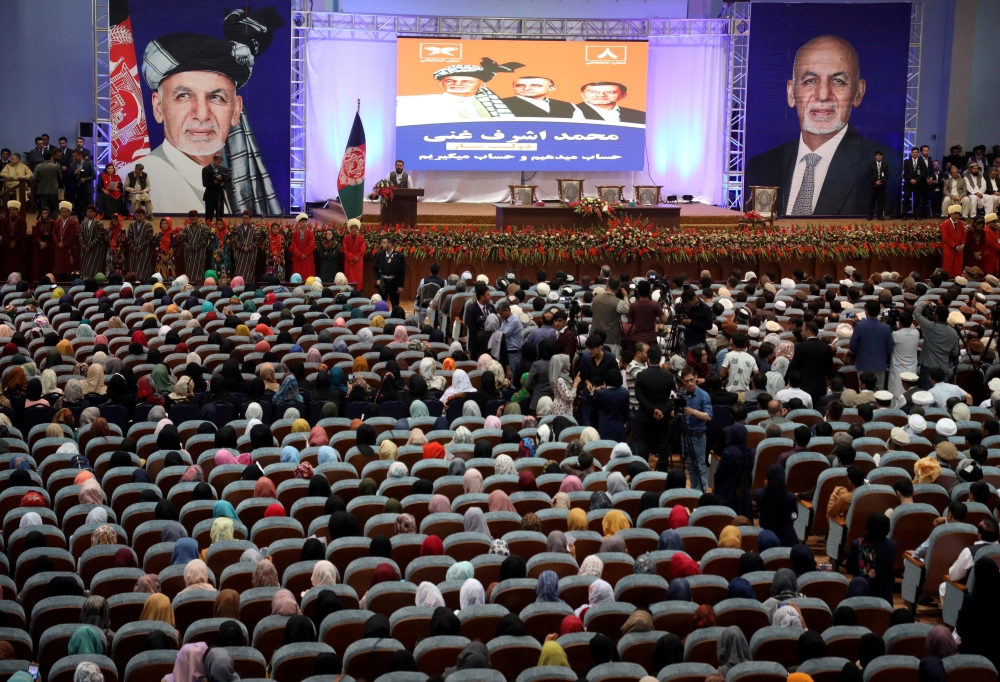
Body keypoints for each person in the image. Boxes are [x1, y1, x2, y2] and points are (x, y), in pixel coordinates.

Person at [123, 10, 284, 215]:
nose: (202, 114)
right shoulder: (140, 176)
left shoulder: (237, 178)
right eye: (184, 96)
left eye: (216, 97)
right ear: (158, 107)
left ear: (236, 110)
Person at [745, 35, 881, 216]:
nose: (823, 95)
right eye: (810, 80)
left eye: (838, 81)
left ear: (858, 92)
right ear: (791, 93)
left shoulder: (879, 166)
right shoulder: (761, 166)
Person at [396, 57, 524, 126]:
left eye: (466, 81)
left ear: (483, 84)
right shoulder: (416, 104)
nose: (457, 84)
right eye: (450, 81)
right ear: (441, 84)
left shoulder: (495, 105)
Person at [939, 517, 1000, 598]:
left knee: (943, 587)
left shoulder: (969, 552)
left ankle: (949, 611)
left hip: (974, 596)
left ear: (979, 535)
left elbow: (954, 576)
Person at [634, 347, 676, 461]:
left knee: (643, 444)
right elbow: (673, 397)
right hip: (663, 416)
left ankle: (642, 472)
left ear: (649, 359)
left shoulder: (641, 375)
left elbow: (639, 397)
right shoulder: (669, 376)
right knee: (663, 444)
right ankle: (662, 471)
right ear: (660, 359)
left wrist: (652, 410)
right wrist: (662, 410)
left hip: (645, 415)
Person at [678, 365, 713, 491]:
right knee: (690, 466)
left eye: (692, 380)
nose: (689, 383)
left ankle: (702, 493)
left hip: (698, 436)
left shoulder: (704, 395)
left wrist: (693, 411)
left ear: (697, 378)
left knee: (700, 467)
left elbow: (709, 416)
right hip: (685, 434)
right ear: (682, 381)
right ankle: (694, 491)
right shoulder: (682, 395)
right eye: (686, 381)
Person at [848, 301, 894, 390]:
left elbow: (852, 345)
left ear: (866, 311)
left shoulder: (860, 326)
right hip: (879, 365)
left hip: (863, 364)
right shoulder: (886, 328)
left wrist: (860, 353)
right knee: (879, 392)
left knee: (864, 392)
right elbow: (889, 348)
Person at [787, 321, 834, 406]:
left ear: (807, 332)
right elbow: (829, 370)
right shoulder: (826, 347)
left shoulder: (801, 347)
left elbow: (794, 366)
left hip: (804, 387)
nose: (801, 333)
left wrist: (786, 380)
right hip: (821, 388)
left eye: (802, 330)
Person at [916, 305, 959, 389]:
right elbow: (955, 352)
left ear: (936, 316)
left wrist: (924, 304)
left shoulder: (929, 326)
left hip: (928, 367)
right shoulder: (954, 332)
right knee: (941, 394)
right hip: (943, 368)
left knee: (926, 396)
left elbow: (916, 313)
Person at [501, 76, 577, 118]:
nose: (526, 88)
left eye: (536, 85)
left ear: (551, 88)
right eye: (520, 85)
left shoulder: (568, 106)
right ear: (513, 88)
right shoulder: (500, 104)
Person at [590, 276, 629, 355]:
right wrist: (625, 296)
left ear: (607, 285)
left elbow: (592, 309)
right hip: (611, 338)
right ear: (619, 288)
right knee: (612, 362)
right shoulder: (618, 302)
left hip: (595, 337)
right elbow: (626, 310)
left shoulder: (595, 299)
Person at [573, 81, 645, 123]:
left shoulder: (639, 115)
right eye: (593, 92)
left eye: (610, 92)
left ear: (623, 95)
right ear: (582, 94)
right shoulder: (571, 112)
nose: (601, 95)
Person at [887, 311, 919, 400]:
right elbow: (911, 326)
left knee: (896, 396)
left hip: (898, 369)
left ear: (899, 322)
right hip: (911, 369)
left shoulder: (895, 335)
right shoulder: (916, 333)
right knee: (909, 396)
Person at [627, 279, 667, 346]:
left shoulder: (633, 306)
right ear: (650, 292)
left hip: (637, 340)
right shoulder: (655, 305)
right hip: (651, 339)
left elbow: (630, 322)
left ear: (638, 292)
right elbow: (664, 319)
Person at [463, 283, 495, 359]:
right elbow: (473, 330)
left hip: (491, 346)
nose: (490, 296)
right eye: (488, 295)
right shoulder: (471, 310)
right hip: (477, 347)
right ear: (482, 297)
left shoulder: (491, 307)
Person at [373, 235, 406, 308]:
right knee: (381, 303)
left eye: (384, 243)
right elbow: (375, 268)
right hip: (383, 283)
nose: (382, 244)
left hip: (394, 283)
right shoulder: (380, 255)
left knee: (395, 304)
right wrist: (378, 279)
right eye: (382, 242)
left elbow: (402, 272)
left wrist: (401, 285)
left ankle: (395, 318)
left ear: (390, 244)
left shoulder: (399, 256)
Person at [180, 212, 212, 281]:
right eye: (192, 219)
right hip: (189, 253)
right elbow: (183, 241)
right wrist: (190, 247)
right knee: (189, 269)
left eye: (195, 219)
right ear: (189, 219)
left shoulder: (204, 228)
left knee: (199, 269)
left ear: (198, 218)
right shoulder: (186, 228)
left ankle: (199, 283)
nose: (193, 221)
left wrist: (197, 246)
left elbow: (205, 240)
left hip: (200, 253)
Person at [126, 207, 156, 281]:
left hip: (144, 252)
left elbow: (149, 239)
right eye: (137, 216)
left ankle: (143, 282)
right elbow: (129, 237)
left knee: (143, 268)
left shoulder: (148, 226)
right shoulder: (131, 225)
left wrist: (139, 247)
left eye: (141, 216)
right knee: (134, 267)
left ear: (144, 216)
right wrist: (134, 248)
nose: (139, 217)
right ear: (135, 215)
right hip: (133, 251)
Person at [53, 200, 80, 278]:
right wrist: (58, 242)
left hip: (69, 248)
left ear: (69, 212)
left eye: (65, 211)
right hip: (59, 247)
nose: (63, 213)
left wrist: (64, 243)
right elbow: (54, 234)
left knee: (69, 267)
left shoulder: (74, 222)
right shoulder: (57, 222)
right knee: (59, 267)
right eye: (62, 211)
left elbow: (74, 234)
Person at [1, 200, 28, 279]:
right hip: (8, 246)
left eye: (14, 209)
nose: (12, 211)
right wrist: (9, 242)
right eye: (10, 209)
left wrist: (15, 242)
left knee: (18, 266)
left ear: (17, 210)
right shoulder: (5, 220)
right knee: (8, 266)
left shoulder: (22, 221)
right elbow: (4, 232)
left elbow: (22, 233)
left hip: (18, 246)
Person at [78, 205, 106, 279]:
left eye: (90, 212)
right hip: (84, 250)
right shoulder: (83, 223)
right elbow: (80, 235)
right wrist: (84, 246)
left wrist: (90, 246)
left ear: (95, 213)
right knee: (84, 268)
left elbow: (99, 237)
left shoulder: (99, 224)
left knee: (94, 268)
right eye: (87, 211)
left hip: (95, 250)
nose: (88, 213)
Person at [231, 211, 259, 282]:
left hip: (250, 254)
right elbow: (235, 240)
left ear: (250, 219)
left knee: (250, 271)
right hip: (240, 254)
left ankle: (249, 284)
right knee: (239, 270)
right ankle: (239, 283)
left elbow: (257, 241)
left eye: (246, 218)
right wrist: (242, 248)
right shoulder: (238, 228)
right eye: (243, 218)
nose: (245, 219)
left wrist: (249, 248)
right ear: (241, 218)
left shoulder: (255, 229)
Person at [33, 151, 62, 218]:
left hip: (42, 190)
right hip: (54, 190)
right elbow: (60, 178)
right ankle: (54, 225)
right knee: (54, 209)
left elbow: (34, 178)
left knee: (45, 209)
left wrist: (40, 182)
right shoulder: (56, 166)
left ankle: (46, 224)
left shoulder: (38, 166)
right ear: (51, 157)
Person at [202, 154, 230, 222]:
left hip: (219, 196)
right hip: (210, 197)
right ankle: (208, 230)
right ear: (214, 160)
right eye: (218, 162)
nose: (219, 164)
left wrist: (223, 183)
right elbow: (205, 183)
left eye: (220, 162)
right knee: (209, 216)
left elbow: (227, 180)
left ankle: (220, 231)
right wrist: (215, 182)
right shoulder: (206, 169)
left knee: (220, 216)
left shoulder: (222, 169)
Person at [68, 151, 96, 217]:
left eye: (75, 156)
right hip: (77, 190)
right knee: (79, 209)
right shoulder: (72, 165)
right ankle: (80, 223)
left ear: (80, 155)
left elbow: (94, 176)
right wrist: (74, 173)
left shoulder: (88, 164)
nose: (73, 158)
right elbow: (69, 177)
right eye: (73, 156)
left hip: (87, 189)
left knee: (90, 207)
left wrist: (85, 179)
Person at [290, 213, 316, 280]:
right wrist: (299, 254)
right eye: (303, 222)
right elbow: (294, 246)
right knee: (297, 275)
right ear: (299, 223)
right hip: (298, 258)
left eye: (306, 222)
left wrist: (304, 254)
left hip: (307, 257)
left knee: (307, 276)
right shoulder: (295, 234)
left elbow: (311, 245)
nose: (305, 224)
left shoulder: (310, 233)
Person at [342, 218, 366, 290]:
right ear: (350, 228)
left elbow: (363, 250)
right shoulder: (346, 238)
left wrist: (355, 258)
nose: (354, 229)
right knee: (348, 277)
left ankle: (357, 292)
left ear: (358, 228)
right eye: (352, 227)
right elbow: (345, 249)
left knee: (358, 278)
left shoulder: (361, 238)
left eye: (355, 227)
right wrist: (352, 258)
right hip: (349, 262)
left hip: (358, 262)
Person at [902, 147, 924, 219]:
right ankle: (905, 214)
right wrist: (911, 179)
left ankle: (916, 214)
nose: (914, 153)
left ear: (918, 153)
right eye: (913, 152)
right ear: (911, 153)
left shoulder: (921, 162)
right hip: (908, 183)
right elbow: (905, 172)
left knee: (917, 199)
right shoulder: (907, 161)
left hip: (918, 184)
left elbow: (923, 173)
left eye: (916, 152)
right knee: (906, 199)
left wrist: (916, 180)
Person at [868, 150, 887, 220]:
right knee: (872, 201)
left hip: (882, 186)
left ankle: (880, 216)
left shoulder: (885, 164)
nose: (878, 157)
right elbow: (869, 175)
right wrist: (875, 182)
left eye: (880, 155)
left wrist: (881, 182)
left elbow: (886, 175)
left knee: (881, 202)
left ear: (882, 156)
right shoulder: (871, 164)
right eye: (877, 155)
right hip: (873, 186)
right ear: (875, 156)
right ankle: (870, 215)